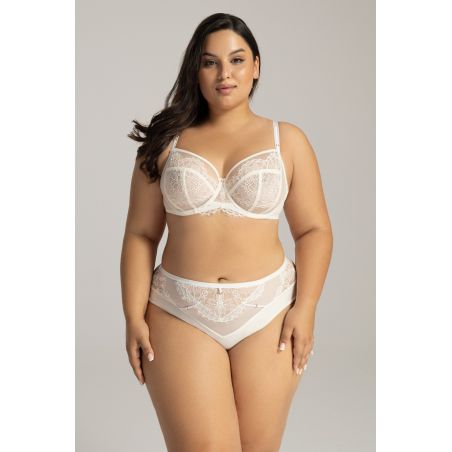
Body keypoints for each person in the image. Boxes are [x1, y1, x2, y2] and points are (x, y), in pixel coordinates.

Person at [120, 12, 333, 452]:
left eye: (236, 60)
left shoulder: (288, 141)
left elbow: (314, 230)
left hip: (268, 310)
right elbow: (141, 234)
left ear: (256, 66)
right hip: (179, 309)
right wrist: (132, 316)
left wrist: (306, 307)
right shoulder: (164, 143)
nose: (224, 74)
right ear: (195, 69)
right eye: (210, 62)